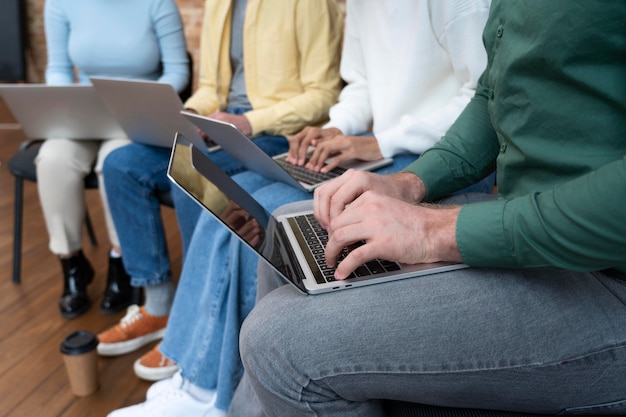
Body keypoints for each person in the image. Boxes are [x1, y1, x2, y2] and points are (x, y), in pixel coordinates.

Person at [235, 1, 626, 416]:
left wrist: (431, 231)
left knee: (278, 343)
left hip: (605, 274)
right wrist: (407, 184)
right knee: (291, 227)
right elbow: (493, 96)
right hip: (530, 220)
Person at [108, 1, 493, 416]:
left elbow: (482, 100)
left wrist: (381, 141)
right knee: (237, 192)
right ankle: (201, 375)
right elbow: (359, 84)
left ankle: (213, 389)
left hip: (436, 158)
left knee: (272, 210)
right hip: (380, 147)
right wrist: (337, 127)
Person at [98, 0, 343, 406]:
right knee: (121, 164)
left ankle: (200, 322)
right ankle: (159, 308)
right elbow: (211, 85)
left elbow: (322, 95)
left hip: (272, 131)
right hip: (217, 127)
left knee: (193, 172)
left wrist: (249, 122)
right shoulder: (219, 3)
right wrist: (191, 114)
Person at [36, 0, 189, 319]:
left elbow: (178, 71)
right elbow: (59, 68)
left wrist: (140, 101)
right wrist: (66, 100)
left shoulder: (158, 4)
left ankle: (121, 262)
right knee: (51, 159)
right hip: (79, 113)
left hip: (133, 115)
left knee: (115, 163)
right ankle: (72, 265)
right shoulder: (60, 4)